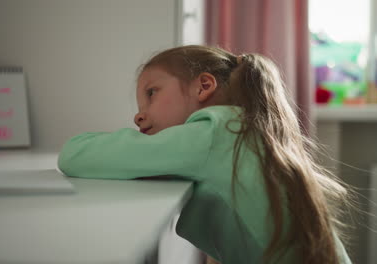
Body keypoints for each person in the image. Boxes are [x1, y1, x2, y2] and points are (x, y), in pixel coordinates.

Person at [58, 45, 353, 264]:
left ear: (204, 86)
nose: (139, 116)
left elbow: (74, 155)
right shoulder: (242, 131)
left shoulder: (213, 132)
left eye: (151, 94)